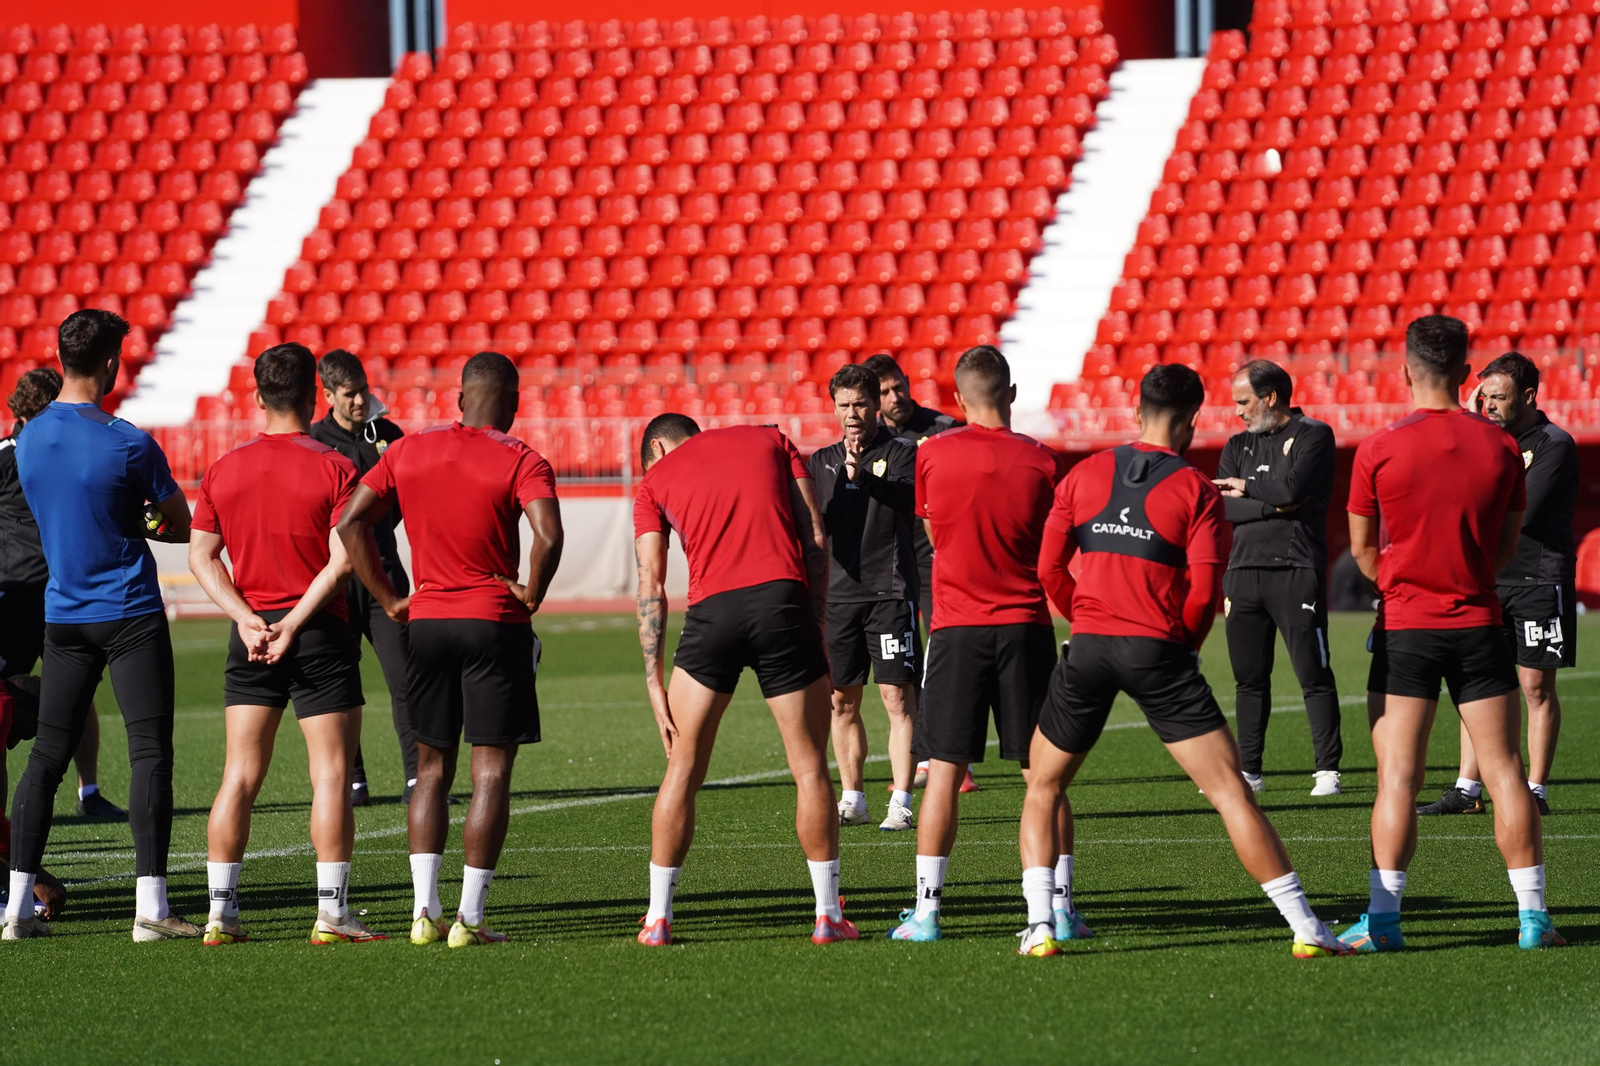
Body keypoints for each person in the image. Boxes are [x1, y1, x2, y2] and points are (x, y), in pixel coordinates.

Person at [1018, 364, 1352, 959]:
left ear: (1136, 408)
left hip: (1089, 646)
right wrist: (1185, 649)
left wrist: (1086, 616)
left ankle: (1041, 927)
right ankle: (1306, 928)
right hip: (1160, 651)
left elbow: (1046, 570)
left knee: (1042, 787)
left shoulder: (1086, 473)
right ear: (1194, 418)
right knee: (1230, 792)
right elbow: (1203, 594)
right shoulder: (1197, 489)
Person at [1343, 315, 1561, 952]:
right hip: (1478, 621)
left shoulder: (1379, 447)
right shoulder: (1500, 446)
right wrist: (1466, 579)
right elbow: (1507, 543)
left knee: (1398, 780)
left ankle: (1383, 922)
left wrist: (1402, 586)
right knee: (1504, 772)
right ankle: (1533, 919)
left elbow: (1359, 551)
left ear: (1407, 370)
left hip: (1406, 626)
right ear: (1467, 376)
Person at [339, 351, 563, 949]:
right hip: (493, 620)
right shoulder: (522, 457)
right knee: (490, 770)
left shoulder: (407, 449)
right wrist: (532, 592)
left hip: (428, 623)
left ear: (460, 399)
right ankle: (470, 919)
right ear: (512, 406)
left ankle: (423, 912)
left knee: (430, 771)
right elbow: (549, 535)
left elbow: (350, 523)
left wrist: (389, 599)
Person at [4, 309, 195, 942]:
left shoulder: (28, 438)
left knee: (44, 760)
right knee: (149, 753)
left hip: (63, 616)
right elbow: (176, 522)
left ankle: (14, 909)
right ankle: (151, 909)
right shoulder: (126, 440)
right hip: (130, 610)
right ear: (110, 362)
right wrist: (140, 519)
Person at [633, 414, 854, 946]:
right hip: (782, 603)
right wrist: (815, 624)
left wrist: (652, 680)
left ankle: (657, 919)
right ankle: (827, 915)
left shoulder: (653, 482)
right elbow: (815, 535)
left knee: (682, 771)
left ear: (658, 447)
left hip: (712, 617)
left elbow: (652, 583)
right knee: (809, 770)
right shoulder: (771, 438)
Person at [190, 343, 384, 946]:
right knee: (329, 774)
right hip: (318, 630)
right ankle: (331, 913)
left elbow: (201, 558)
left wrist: (250, 620)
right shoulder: (335, 466)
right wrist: (295, 621)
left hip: (251, 634)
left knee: (239, 776)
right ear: (312, 397)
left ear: (257, 397)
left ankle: (220, 914)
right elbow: (344, 559)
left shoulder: (224, 467)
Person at [888, 346, 1060, 943]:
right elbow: (1045, 539)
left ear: (958, 400)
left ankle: (928, 913)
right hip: (1026, 625)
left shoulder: (930, 454)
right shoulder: (1042, 461)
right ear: (1010, 393)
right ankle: (1059, 907)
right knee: (1044, 776)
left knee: (942, 773)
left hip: (957, 628)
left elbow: (933, 531)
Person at [1420, 352, 1579, 819]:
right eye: (1483, 396)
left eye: (1499, 397)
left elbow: (1520, 514)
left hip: (1538, 578)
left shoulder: (1554, 443)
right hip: (1488, 578)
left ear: (1528, 397)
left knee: (1534, 688)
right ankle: (1467, 790)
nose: (1488, 405)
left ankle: (1535, 791)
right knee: (1476, 684)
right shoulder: (1484, 440)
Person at [0, 368, 127, 820]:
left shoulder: (49, 451)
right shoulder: (22, 453)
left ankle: (87, 791)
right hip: (27, 595)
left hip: (45, 592)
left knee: (73, 688)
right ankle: (82, 792)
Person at [1214, 360, 1343, 797]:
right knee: (1248, 678)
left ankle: (1327, 770)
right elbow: (1223, 507)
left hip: (1295, 568)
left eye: (1244, 402)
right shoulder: (1236, 444)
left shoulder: (1313, 435)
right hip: (1242, 571)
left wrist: (1246, 488)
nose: (1238, 412)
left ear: (1270, 397)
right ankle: (1250, 771)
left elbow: (1291, 491)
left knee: (1313, 673)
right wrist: (1273, 502)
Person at [807, 364, 920, 832]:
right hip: (839, 598)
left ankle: (902, 801)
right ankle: (853, 798)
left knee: (896, 696)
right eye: (843, 405)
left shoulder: (902, 453)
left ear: (876, 405)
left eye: (859, 404)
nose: (851, 414)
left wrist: (864, 477)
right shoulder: (819, 462)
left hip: (889, 593)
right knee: (841, 702)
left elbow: (905, 498)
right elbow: (815, 523)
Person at [308, 350, 417, 807]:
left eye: (363, 391)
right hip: (334, 580)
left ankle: (418, 777)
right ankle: (353, 780)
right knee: (341, 684)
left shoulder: (390, 436)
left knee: (407, 678)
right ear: (328, 395)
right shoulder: (313, 441)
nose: (359, 401)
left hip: (384, 575)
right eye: (349, 394)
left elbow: (408, 501)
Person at [861, 352, 969, 793]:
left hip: (938, 559)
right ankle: (928, 756)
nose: (894, 396)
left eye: (898, 386)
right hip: (894, 566)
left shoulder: (943, 429)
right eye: (883, 392)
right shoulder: (869, 441)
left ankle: (956, 762)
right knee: (908, 663)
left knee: (943, 657)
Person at [0, 676, 67, 920]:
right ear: (21, 704)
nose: (15, 742)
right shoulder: (3, 704)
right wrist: (33, 875)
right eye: (27, 731)